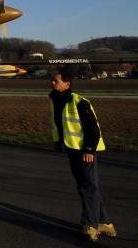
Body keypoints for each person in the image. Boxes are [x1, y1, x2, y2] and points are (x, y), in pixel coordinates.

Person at [50, 71, 116, 241]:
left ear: (67, 84)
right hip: (71, 149)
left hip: (84, 151)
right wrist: (58, 142)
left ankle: (90, 226)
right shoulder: (55, 100)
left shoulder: (79, 102)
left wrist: (88, 149)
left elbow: (93, 129)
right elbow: (59, 124)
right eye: (52, 80)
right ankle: (105, 223)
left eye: (56, 81)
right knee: (86, 187)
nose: (52, 83)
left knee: (88, 188)